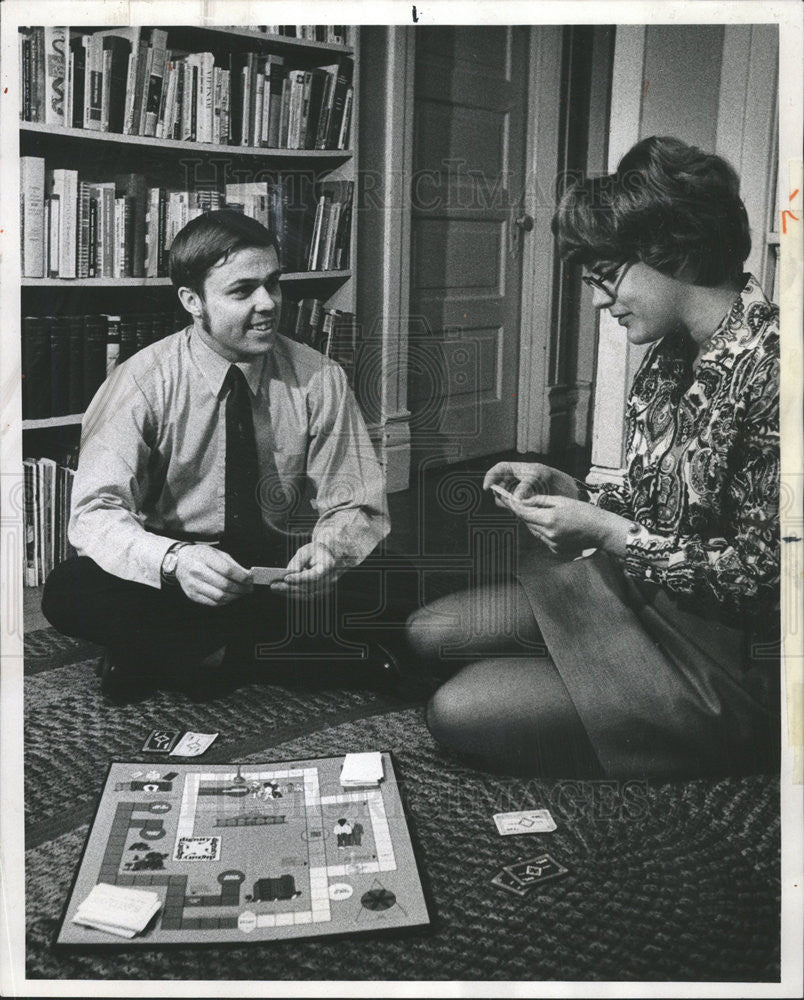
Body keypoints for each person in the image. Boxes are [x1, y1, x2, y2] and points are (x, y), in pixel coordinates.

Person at [407, 136, 780, 780]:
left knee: (457, 711)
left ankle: (704, 731)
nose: (600, 300)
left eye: (607, 276)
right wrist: (577, 494)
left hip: (731, 661)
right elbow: (648, 506)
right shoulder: (669, 356)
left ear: (674, 253)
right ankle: (587, 674)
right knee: (428, 631)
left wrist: (609, 532)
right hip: (646, 595)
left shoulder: (778, 371)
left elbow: (763, 576)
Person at [42, 210, 405, 700]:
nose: (268, 304)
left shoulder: (319, 376)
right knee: (69, 591)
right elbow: (95, 513)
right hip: (181, 569)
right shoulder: (141, 381)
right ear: (193, 301)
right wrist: (172, 561)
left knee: (403, 579)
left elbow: (355, 501)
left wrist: (328, 553)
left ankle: (178, 655)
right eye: (242, 290)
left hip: (281, 565)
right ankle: (275, 654)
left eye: (273, 284)